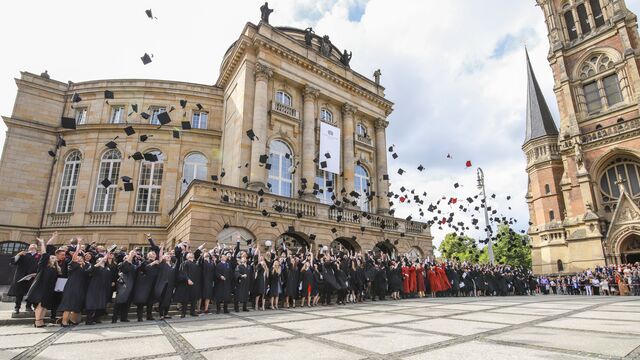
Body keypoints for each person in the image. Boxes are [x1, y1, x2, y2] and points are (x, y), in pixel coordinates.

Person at [26, 236, 60, 327]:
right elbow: (44, 254)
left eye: (54, 258)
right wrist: (42, 243)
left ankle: (41, 321)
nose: (54, 258)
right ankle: (37, 322)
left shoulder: (56, 268)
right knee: (40, 305)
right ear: (48, 259)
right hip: (41, 288)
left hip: (49, 289)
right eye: (52, 257)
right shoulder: (43, 265)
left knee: (45, 306)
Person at [58, 239, 90, 327]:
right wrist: (78, 246)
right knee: (68, 305)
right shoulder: (72, 264)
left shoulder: (84, 266)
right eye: (78, 257)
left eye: (81, 257)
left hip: (80, 288)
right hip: (71, 287)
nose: (79, 258)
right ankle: (64, 321)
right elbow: (74, 256)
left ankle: (72, 320)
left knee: (77, 305)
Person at [9, 241, 39, 314]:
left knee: (31, 293)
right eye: (31, 246)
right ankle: (17, 307)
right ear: (28, 248)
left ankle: (28, 307)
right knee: (19, 293)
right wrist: (18, 255)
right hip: (21, 277)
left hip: (32, 277)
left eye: (34, 246)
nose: (32, 247)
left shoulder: (39, 256)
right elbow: (13, 262)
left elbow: (41, 266)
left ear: (36, 249)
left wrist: (37, 273)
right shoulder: (23, 255)